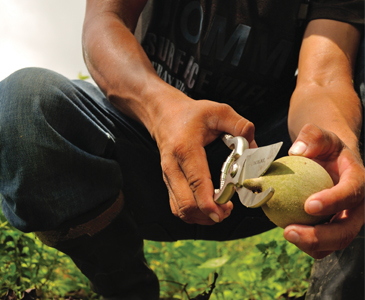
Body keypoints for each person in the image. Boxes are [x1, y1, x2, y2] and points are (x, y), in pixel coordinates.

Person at [0, 0, 364, 299]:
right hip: (141, 157)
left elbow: (324, 78)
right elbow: (104, 21)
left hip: (263, 168)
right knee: (24, 105)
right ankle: (127, 292)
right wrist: (162, 109)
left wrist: (335, 143)